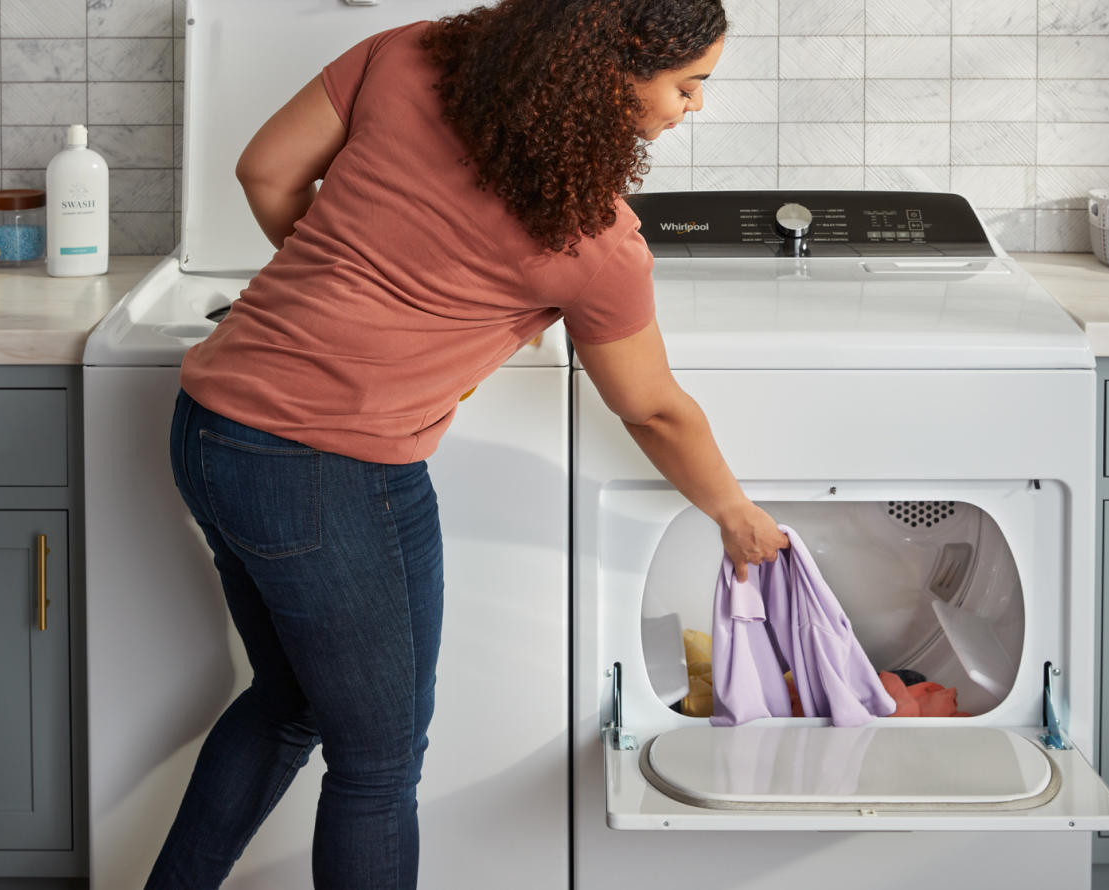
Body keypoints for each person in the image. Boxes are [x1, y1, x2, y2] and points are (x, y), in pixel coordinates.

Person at [148, 1, 786, 887]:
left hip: (209, 431)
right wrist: (734, 513)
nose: (695, 107)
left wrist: (357, 284)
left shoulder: (408, 54)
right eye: (689, 85)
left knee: (290, 702)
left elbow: (265, 171)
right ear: (615, 70)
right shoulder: (593, 239)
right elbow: (652, 409)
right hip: (328, 472)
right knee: (378, 769)